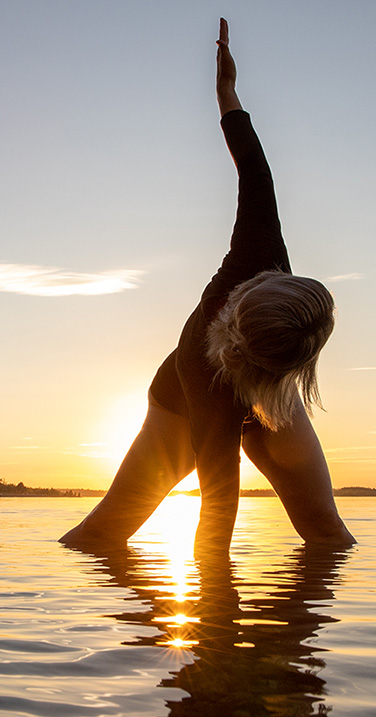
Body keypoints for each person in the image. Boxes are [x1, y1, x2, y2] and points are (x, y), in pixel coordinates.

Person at [60, 19, 354, 554]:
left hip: (267, 393)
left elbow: (255, 171)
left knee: (328, 535)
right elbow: (217, 519)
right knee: (105, 534)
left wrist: (228, 94)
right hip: (182, 403)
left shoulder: (259, 252)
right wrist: (216, 631)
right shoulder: (206, 380)